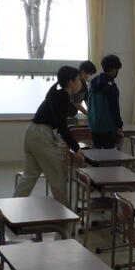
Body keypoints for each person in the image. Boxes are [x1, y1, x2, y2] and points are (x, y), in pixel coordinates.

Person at [14, 66, 85, 205]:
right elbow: (62, 126)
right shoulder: (62, 96)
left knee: (29, 177)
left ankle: (10, 210)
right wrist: (76, 148)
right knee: (58, 176)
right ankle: (64, 214)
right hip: (41, 136)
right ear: (71, 82)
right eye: (78, 79)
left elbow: (59, 125)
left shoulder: (57, 94)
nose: (80, 82)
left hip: (32, 133)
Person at [88, 54, 123, 148]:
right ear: (113, 70)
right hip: (107, 127)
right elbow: (115, 108)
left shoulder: (93, 83)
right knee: (109, 154)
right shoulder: (111, 86)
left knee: (97, 154)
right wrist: (119, 126)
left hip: (94, 126)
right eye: (117, 69)